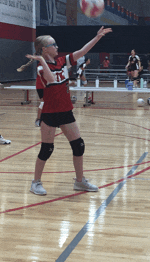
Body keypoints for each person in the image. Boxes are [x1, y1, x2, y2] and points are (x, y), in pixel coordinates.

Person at [25, 26, 112, 195]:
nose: (57, 47)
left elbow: (81, 52)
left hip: (66, 111)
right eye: (53, 44)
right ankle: (35, 182)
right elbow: (51, 80)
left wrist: (97, 37)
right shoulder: (41, 68)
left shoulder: (61, 61)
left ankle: (80, 182)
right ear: (44, 49)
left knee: (79, 145)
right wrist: (42, 60)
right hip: (50, 113)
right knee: (47, 149)